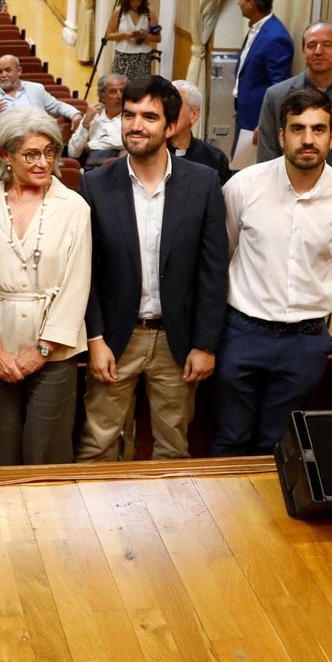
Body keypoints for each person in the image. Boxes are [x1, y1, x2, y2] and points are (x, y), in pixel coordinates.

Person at [78, 76, 228, 461]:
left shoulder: (203, 183)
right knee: (97, 444)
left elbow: (213, 271)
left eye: (149, 116)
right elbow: (86, 273)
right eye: (128, 115)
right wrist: (95, 338)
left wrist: (205, 343)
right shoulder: (95, 184)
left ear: (172, 126)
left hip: (176, 340)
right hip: (115, 338)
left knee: (173, 448)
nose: (135, 125)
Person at [212, 89, 332, 455]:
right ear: (282, 136)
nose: (308, 139)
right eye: (297, 129)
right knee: (230, 436)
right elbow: (227, 252)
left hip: (305, 341)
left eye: (318, 129)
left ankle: (265, 515)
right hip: (243, 332)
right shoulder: (244, 186)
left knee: (278, 444)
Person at [0, 107, 92, 465]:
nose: (43, 162)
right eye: (31, 154)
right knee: (1, 452)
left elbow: (77, 285)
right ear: (6, 155)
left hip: (56, 352)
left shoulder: (74, 206)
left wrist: (40, 352)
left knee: (46, 454)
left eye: (50, 152)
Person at [255, 22, 332, 182]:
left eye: (327, 45)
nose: (318, 51)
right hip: (283, 192)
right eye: (311, 45)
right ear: (304, 51)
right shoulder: (276, 96)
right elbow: (267, 154)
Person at [232, 0, 294, 162]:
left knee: (249, 171)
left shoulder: (276, 37)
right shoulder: (257, 28)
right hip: (244, 113)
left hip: (257, 119)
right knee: (239, 169)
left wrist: (264, 123)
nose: (239, 3)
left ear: (252, 2)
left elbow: (280, 85)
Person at [0, 54, 82, 133]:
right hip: (6, 144)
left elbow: (58, 106)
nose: (3, 75)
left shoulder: (36, 89)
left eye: (8, 70)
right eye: (0, 71)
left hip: (36, 138)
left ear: (19, 71)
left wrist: (75, 114)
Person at [169, 80, 232, 182]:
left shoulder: (215, 159)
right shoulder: (151, 153)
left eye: (175, 107)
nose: (168, 113)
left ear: (194, 115)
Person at [68, 74, 127, 168]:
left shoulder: (133, 116)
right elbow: (73, 153)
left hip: (122, 170)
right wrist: (86, 123)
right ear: (103, 96)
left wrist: (91, 145)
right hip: (93, 171)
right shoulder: (93, 116)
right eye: (113, 92)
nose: (119, 96)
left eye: (122, 91)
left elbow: (126, 142)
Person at [104, 0, 160, 82]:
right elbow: (108, 35)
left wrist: (144, 36)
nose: (136, 4)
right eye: (133, 0)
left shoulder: (149, 13)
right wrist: (124, 35)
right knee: (121, 88)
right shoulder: (119, 11)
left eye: (139, 0)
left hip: (142, 57)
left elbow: (157, 38)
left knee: (140, 90)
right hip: (123, 56)